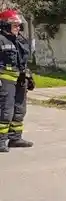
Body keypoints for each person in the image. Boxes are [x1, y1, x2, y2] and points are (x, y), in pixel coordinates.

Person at [0, 9, 35, 151]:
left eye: (19, 25)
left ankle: (15, 138)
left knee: (19, 110)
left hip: (20, 80)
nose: (18, 27)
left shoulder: (20, 39)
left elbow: (23, 60)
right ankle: (1, 141)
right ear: (4, 25)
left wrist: (28, 75)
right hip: (4, 80)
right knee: (5, 110)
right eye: (14, 25)